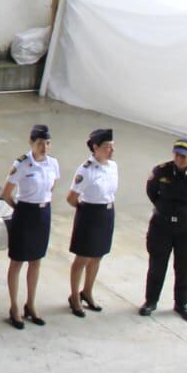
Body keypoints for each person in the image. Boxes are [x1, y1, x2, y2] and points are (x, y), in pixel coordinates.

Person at [140, 138, 187, 322]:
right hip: (161, 226)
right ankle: (151, 301)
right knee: (157, 265)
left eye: (184, 157)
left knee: (185, 267)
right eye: (177, 155)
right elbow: (152, 192)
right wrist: (165, 211)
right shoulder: (161, 171)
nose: (180, 159)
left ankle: (182, 304)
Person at [1, 124, 59, 329]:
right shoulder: (22, 164)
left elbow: (52, 186)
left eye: (48, 143)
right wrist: (20, 209)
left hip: (43, 214)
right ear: (31, 143)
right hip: (25, 213)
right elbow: (7, 193)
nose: (45, 147)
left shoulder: (53, 163)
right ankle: (14, 306)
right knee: (17, 262)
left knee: (36, 261)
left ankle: (31, 304)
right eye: (40, 143)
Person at [66, 128, 118, 317]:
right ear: (95, 147)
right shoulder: (86, 170)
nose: (111, 151)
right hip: (89, 213)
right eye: (107, 147)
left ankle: (87, 291)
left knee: (98, 255)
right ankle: (74, 296)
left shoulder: (113, 166)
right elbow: (71, 197)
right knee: (82, 258)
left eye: (112, 147)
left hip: (107, 213)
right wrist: (85, 211)